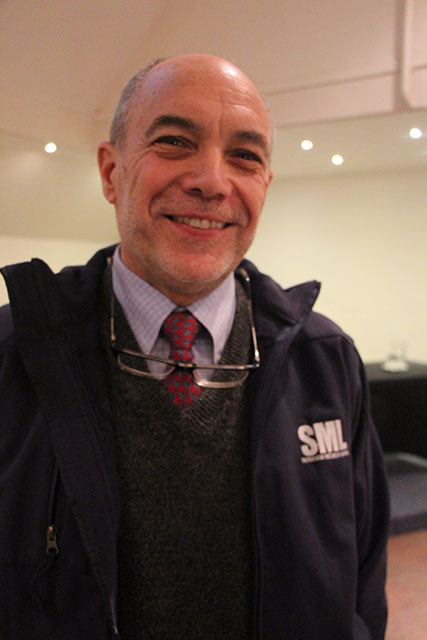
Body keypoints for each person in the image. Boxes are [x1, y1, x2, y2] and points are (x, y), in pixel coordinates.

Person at [0, 54, 389, 639]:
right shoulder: (13, 357)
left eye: (245, 156)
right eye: (175, 142)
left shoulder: (326, 359)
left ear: (265, 185)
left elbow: (364, 580)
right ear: (110, 172)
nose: (212, 180)